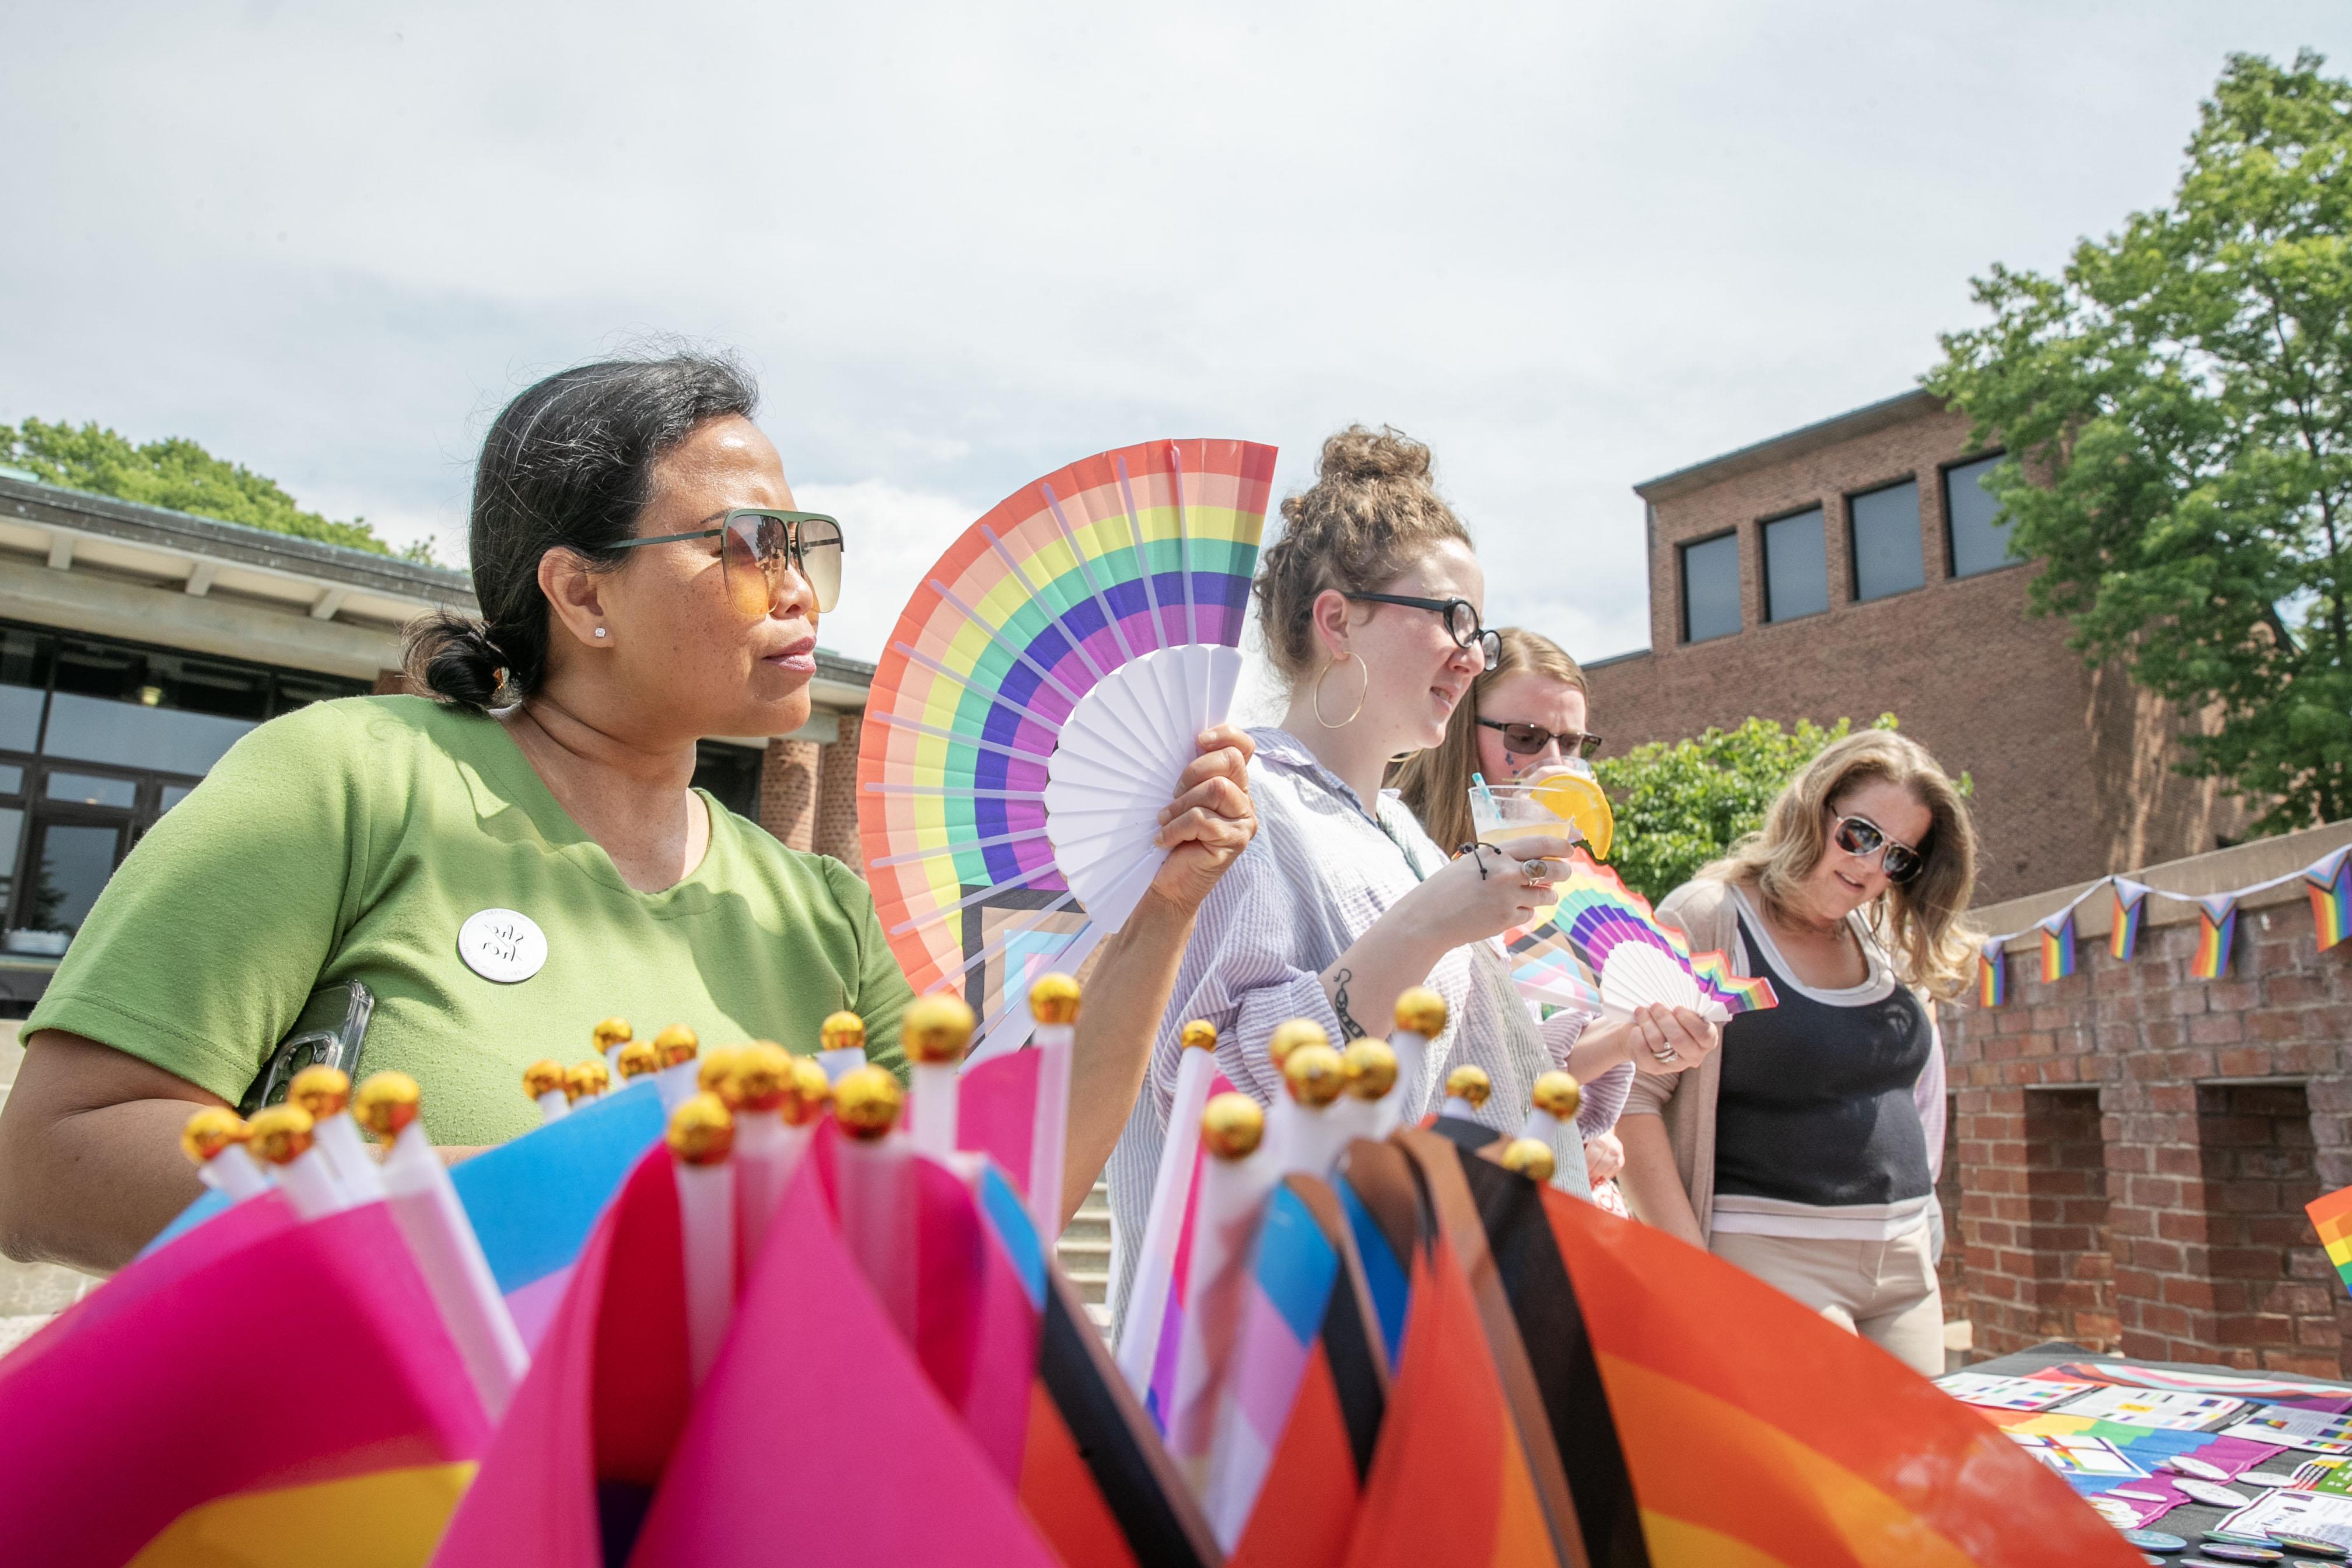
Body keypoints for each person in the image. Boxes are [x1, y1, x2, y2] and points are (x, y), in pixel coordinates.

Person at [0, 351, 1257, 1272]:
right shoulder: (351, 780)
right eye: (750, 542)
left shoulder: (816, 911)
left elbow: (976, 1216)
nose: (799, 591)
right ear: (580, 596)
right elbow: (55, 1159)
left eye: (808, 546)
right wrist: (543, 1217)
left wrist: (1163, 910)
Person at [1104, 426, 1716, 1329]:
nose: (1473, 655)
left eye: (1482, 627)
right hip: (1264, 1346)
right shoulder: (1240, 806)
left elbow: (1457, 1077)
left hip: (1403, 1324)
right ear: (1337, 618)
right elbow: (1218, 1088)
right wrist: (1428, 924)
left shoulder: (1400, 833)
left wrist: (1618, 1042)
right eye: (1450, 619)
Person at [1614, 730, 1976, 1377]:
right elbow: (1630, 1099)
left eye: (1899, 859)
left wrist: (1926, 1215)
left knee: (1915, 1474)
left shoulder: (1882, 939)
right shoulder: (1708, 918)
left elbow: (1913, 1098)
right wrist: (1690, 1271)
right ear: (1815, 809)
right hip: (1773, 1258)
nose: (1871, 868)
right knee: (1827, 1464)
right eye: (1862, 835)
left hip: (1904, 1263)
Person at [1392, 625, 1717, 1183]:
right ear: (1456, 730)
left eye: (1572, 744)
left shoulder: (1556, 888)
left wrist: (1627, 1043)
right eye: (1524, 737)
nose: (1556, 765)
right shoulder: (1397, 853)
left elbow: (1532, 1060)